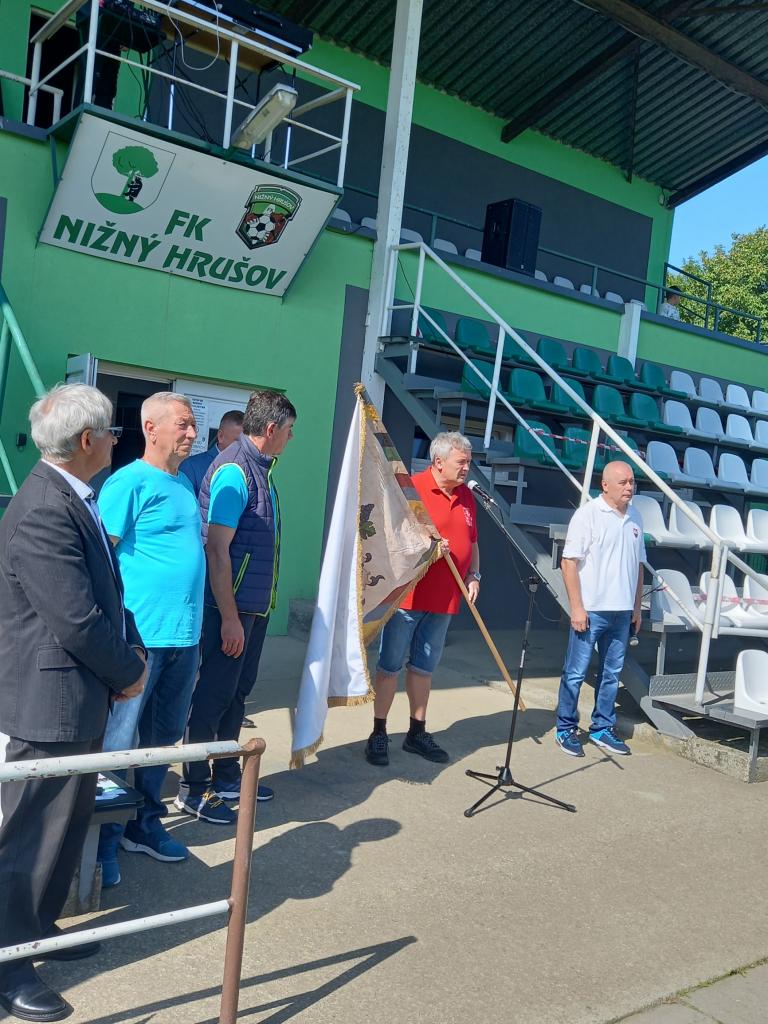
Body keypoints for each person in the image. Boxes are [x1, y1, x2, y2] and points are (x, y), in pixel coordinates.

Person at [0, 384, 147, 1023]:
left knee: (64, 827)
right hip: (48, 700)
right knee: (30, 836)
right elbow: (75, 619)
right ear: (87, 440)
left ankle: (35, 930)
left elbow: (107, 593)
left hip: (75, 694)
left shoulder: (73, 496)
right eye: (113, 431)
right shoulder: (43, 508)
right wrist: (130, 671)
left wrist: (130, 650)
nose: (117, 440)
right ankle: (8, 966)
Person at [95, 392, 205, 886]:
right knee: (118, 743)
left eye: (193, 424)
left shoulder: (183, 483)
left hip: (185, 637)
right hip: (141, 640)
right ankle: (102, 841)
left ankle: (144, 825)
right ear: (151, 428)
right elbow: (100, 560)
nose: (192, 433)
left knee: (162, 739)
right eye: (183, 424)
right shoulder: (128, 482)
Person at [175, 389, 296, 823]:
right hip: (229, 610)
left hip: (251, 609)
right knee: (212, 696)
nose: (291, 438)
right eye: (289, 430)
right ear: (271, 428)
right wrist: (229, 618)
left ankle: (226, 775)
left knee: (236, 694)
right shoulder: (234, 471)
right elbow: (217, 549)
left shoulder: (260, 468)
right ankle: (194, 787)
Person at [365, 431, 480, 768]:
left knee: (424, 668)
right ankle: (379, 732)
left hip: (445, 599)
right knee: (390, 667)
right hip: (408, 598)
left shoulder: (466, 496)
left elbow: (473, 542)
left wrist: (474, 574)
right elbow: (390, 540)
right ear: (438, 462)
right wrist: (427, 548)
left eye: (469, 463)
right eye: (461, 462)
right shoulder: (410, 490)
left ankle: (417, 731)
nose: (466, 469)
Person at [555, 461, 645, 758]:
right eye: (623, 482)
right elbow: (569, 562)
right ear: (605, 485)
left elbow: (638, 566)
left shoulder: (636, 516)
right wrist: (577, 608)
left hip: (622, 612)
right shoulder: (588, 515)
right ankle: (565, 728)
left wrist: (636, 607)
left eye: (632, 482)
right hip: (592, 610)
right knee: (575, 673)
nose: (629, 487)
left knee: (611, 673)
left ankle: (602, 728)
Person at [180, 409, 244, 497]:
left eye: (246, 443)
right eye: (238, 442)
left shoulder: (250, 467)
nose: (243, 447)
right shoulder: (191, 467)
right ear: (220, 436)